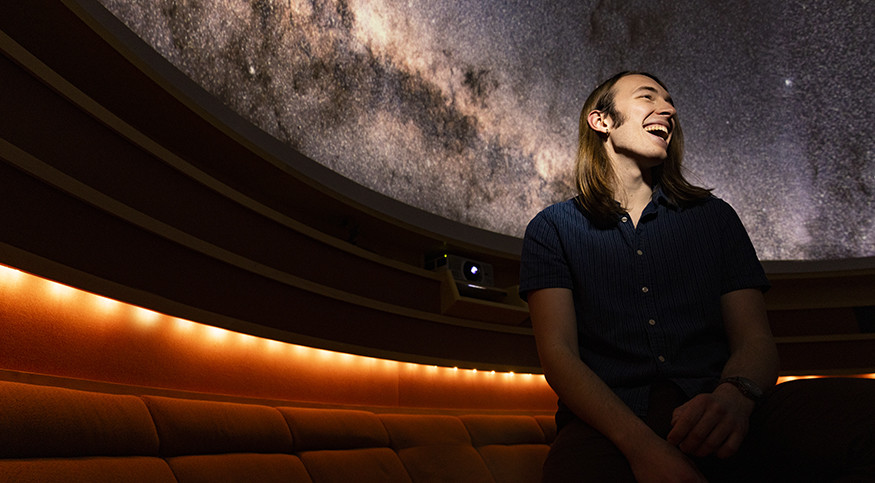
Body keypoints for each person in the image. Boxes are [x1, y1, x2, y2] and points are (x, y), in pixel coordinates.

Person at [519, 71, 875, 482]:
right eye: (648, 96)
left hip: (720, 404)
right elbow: (559, 354)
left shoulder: (715, 217)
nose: (668, 110)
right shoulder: (551, 228)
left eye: (670, 102)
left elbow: (756, 341)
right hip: (607, 425)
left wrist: (734, 399)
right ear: (602, 121)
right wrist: (642, 448)